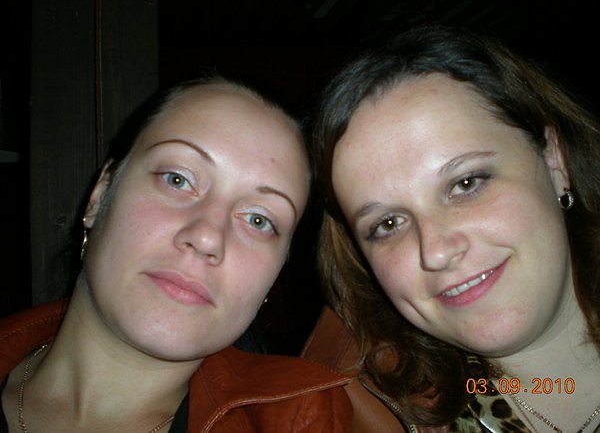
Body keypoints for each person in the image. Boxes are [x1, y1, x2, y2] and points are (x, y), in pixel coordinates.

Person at [0, 76, 352, 432]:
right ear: (100, 195)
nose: (207, 238)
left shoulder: (303, 422)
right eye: (177, 179)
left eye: (258, 220)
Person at [312, 25, 600, 432]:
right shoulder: (354, 416)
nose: (436, 251)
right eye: (388, 224)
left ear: (555, 161)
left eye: (466, 183)